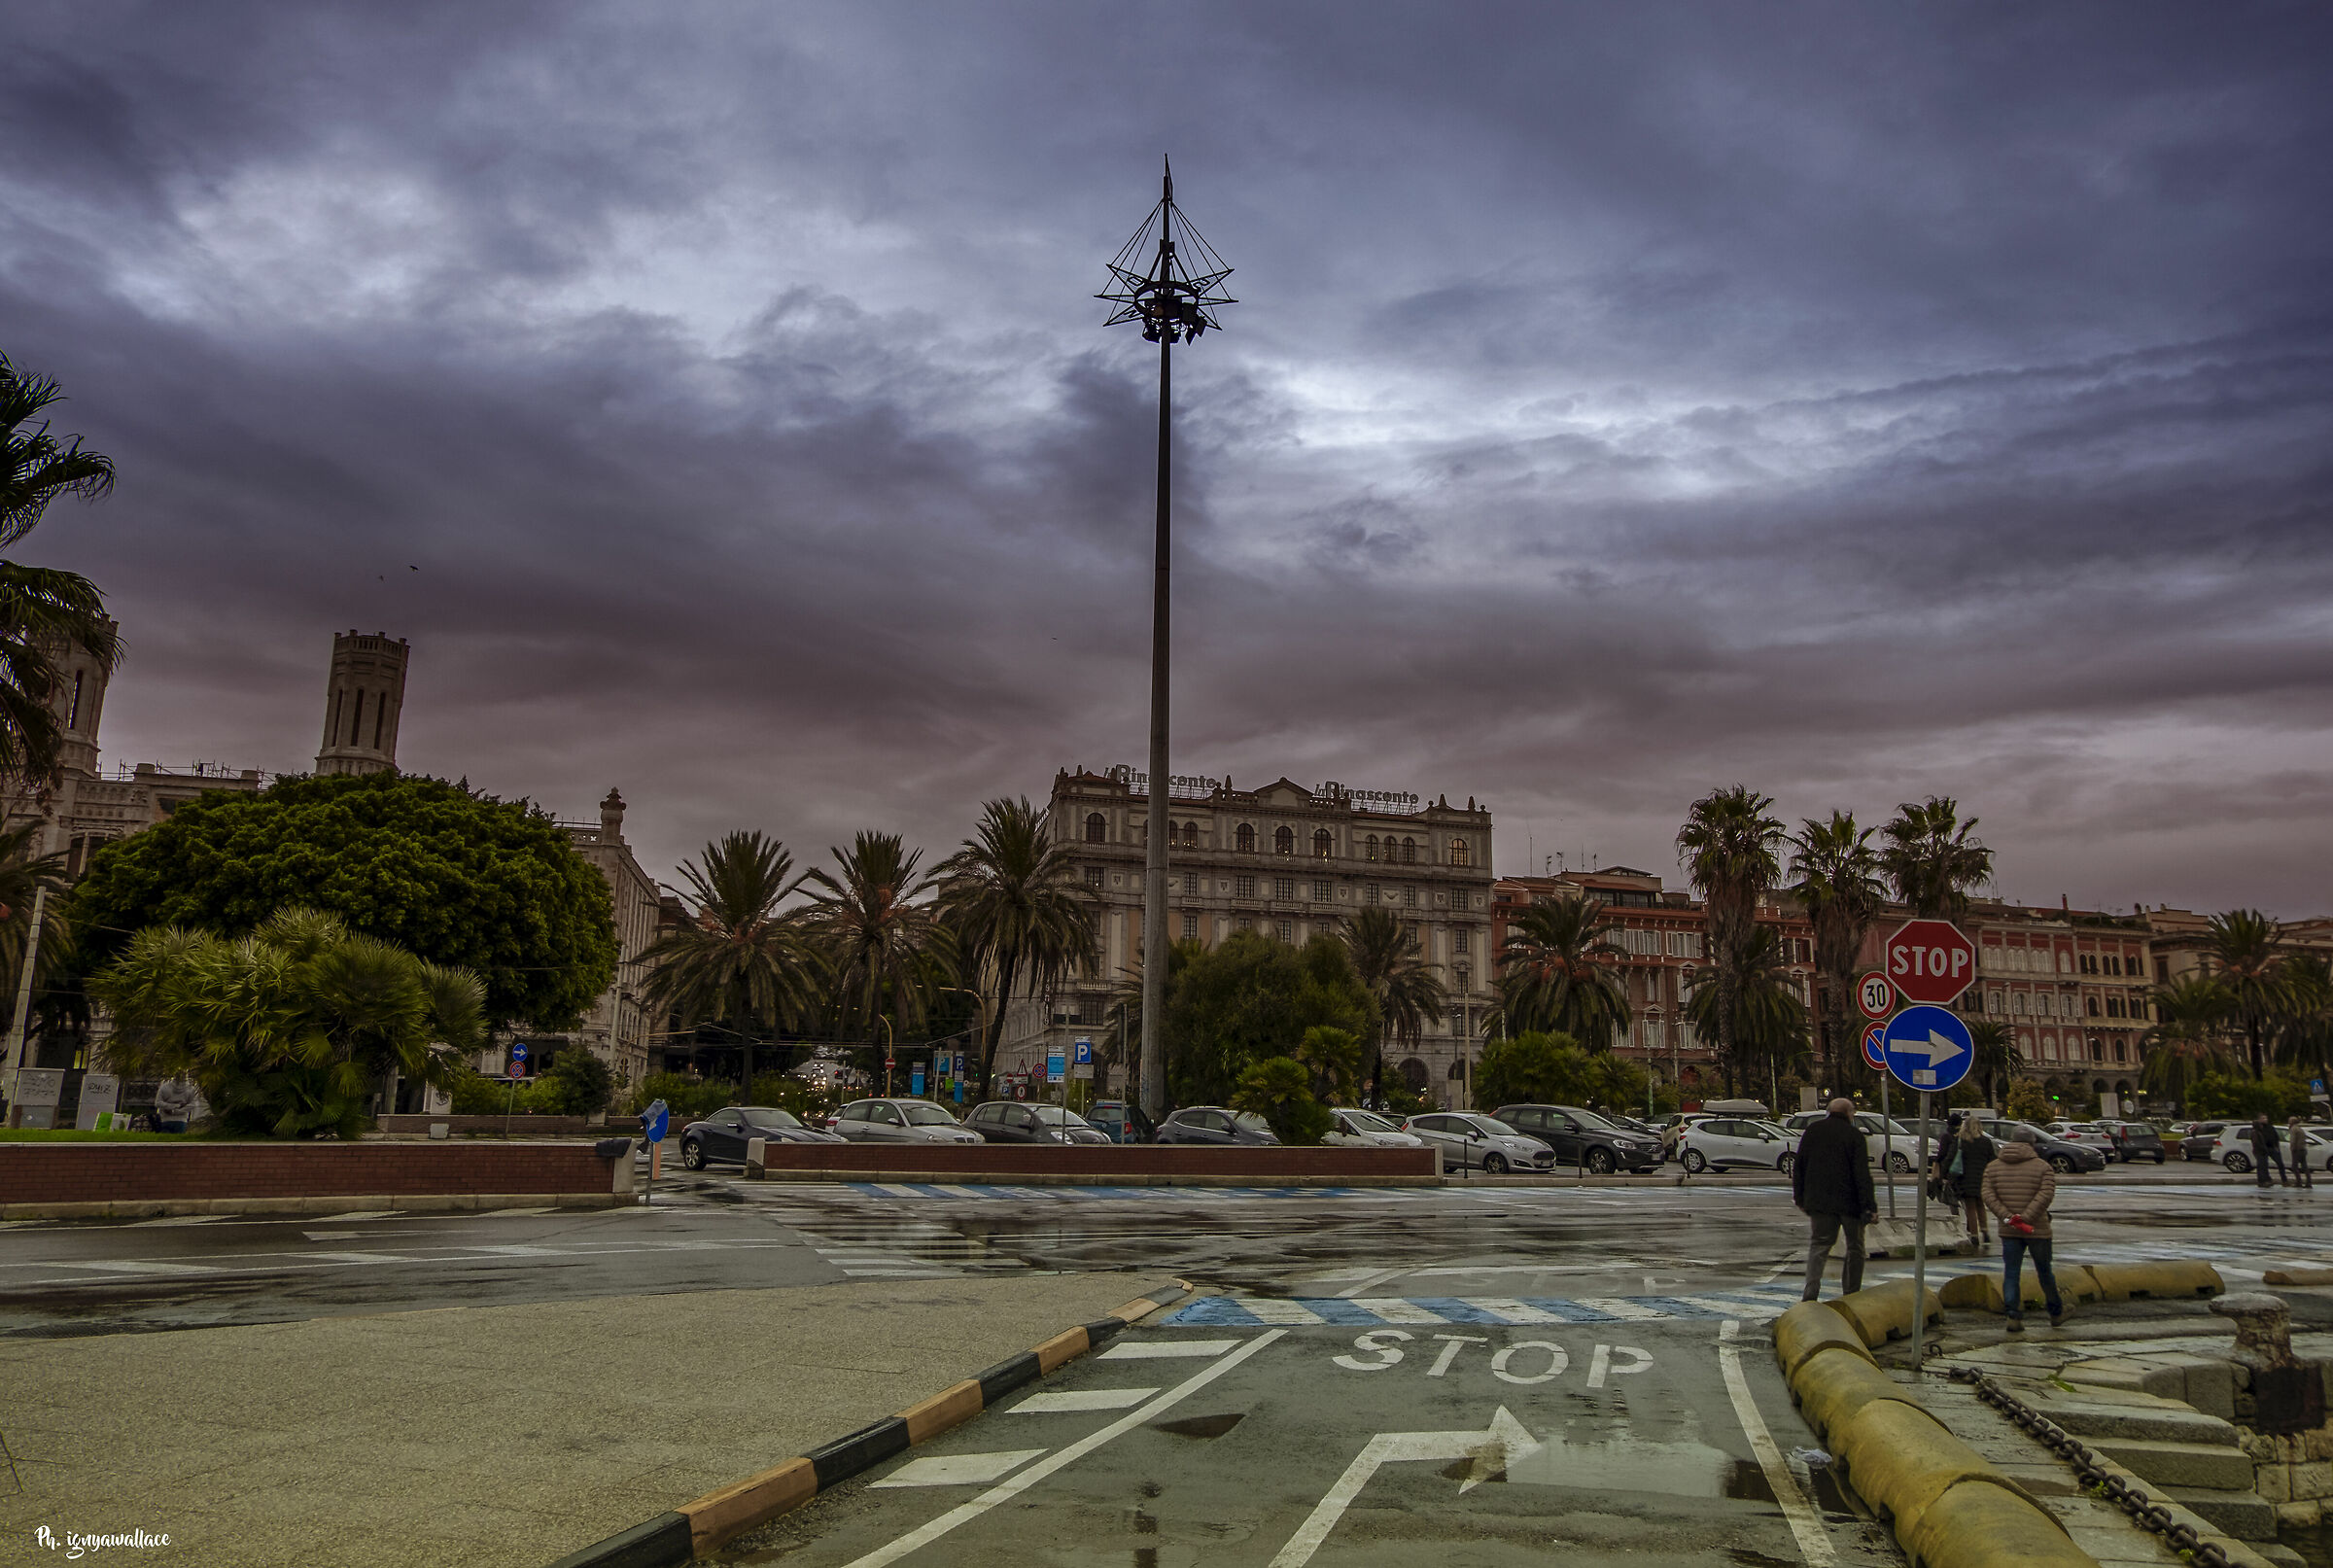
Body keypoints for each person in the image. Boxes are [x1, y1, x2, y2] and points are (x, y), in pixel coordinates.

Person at [1793, 1098, 1877, 1302]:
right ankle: (1851, 1292)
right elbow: (1861, 1174)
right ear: (1849, 1114)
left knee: (1819, 1246)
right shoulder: (1854, 1135)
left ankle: (1811, 1291)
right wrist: (1869, 1205)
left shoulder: (1812, 1132)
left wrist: (1800, 1197)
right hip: (1850, 1204)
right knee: (1855, 1247)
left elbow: (1799, 1166)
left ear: (1828, 1112)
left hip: (1819, 1202)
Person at [1982, 1131, 2064, 1332]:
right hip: (2037, 1230)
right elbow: (2046, 1194)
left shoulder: (1993, 1168)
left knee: (2011, 1273)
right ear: (2032, 1144)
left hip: (2008, 1230)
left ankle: (2013, 1316)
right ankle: (2056, 1312)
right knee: (2045, 1272)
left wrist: (2008, 1217)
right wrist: (2025, 1218)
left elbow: (1987, 1194)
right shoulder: (2043, 1167)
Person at [1952, 1114, 1999, 1245]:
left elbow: (1952, 1158)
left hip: (1966, 1178)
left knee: (1970, 1208)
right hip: (1983, 1177)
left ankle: (1974, 1235)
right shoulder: (1986, 1141)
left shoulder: (1961, 1141)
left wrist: (1948, 1176)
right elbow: (1992, 1159)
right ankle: (1985, 1231)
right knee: (1981, 1205)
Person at [2247, 1112, 2289, 1188]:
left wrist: (2276, 1146)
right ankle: (2264, 1181)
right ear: (2259, 1120)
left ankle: (2284, 1180)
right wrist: (2264, 1148)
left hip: (2272, 1148)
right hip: (2263, 1149)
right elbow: (2257, 1141)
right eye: (2263, 1118)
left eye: (2266, 1118)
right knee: (2262, 1166)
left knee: (2280, 1164)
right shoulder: (2257, 1130)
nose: (2265, 1120)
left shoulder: (2270, 1127)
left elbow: (2276, 1137)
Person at [2289, 1116, 2315, 1191]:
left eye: (2289, 1120)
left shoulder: (2293, 1129)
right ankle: (2308, 1182)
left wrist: (2292, 1148)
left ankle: (2299, 1182)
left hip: (2297, 1150)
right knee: (2304, 1166)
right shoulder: (2300, 1129)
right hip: (2303, 1149)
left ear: (2292, 1122)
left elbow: (2293, 1140)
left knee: (2294, 1166)